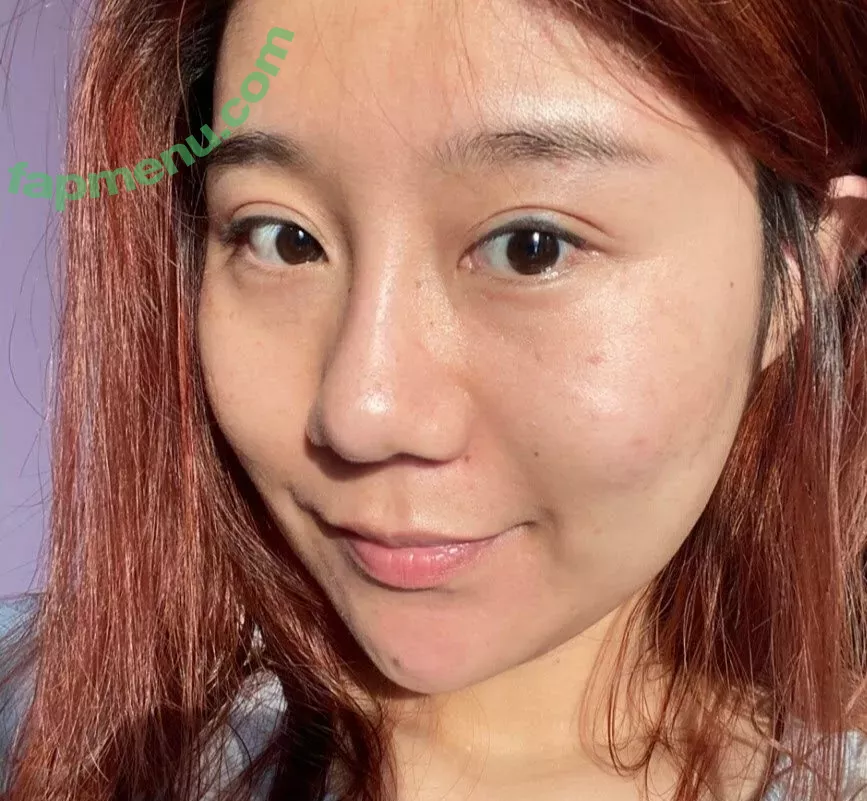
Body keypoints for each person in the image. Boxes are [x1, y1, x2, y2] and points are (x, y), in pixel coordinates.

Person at [1, 0, 867, 798]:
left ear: (797, 278)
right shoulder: (39, 713)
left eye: (531, 247)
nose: (361, 413)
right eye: (283, 239)